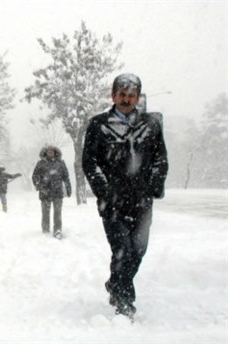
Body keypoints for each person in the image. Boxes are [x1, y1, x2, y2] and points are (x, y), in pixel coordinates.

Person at [82, 73, 168, 318]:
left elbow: (160, 159)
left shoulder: (151, 124)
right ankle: (124, 301)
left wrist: (154, 185)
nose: (127, 100)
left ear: (138, 98)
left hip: (142, 201)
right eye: (122, 95)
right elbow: (90, 162)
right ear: (113, 96)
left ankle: (115, 282)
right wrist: (104, 191)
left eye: (131, 95)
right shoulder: (98, 124)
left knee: (138, 251)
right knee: (122, 248)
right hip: (113, 202)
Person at [32, 146, 71, 239]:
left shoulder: (61, 163)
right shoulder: (40, 163)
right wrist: (39, 186)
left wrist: (68, 187)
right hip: (45, 192)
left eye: (52, 151)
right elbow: (35, 176)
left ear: (55, 152)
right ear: (45, 153)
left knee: (57, 212)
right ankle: (45, 230)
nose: (50, 152)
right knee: (45, 212)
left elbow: (66, 176)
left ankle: (57, 230)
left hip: (58, 192)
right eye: (48, 151)